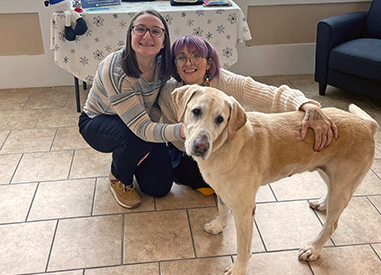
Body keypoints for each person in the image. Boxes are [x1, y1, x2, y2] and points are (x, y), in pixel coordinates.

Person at [158, 35, 339, 195]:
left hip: (221, 146)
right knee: (208, 182)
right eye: (181, 58)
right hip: (186, 149)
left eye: (196, 56)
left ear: (208, 62)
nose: (189, 63)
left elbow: (272, 95)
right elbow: (165, 129)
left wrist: (308, 106)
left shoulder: (227, 83)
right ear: (175, 65)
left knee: (233, 181)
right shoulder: (170, 93)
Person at [78, 10, 185, 209]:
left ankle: (133, 155)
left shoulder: (164, 64)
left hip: (137, 120)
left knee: (159, 188)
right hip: (97, 120)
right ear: (130, 35)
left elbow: (155, 104)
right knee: (137, 139)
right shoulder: (116, 70)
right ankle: (118, 177)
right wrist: (183, 130)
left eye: (155, 31)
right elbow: (143, 130)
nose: (147, 36)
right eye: (140, 29)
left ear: (164, 40)